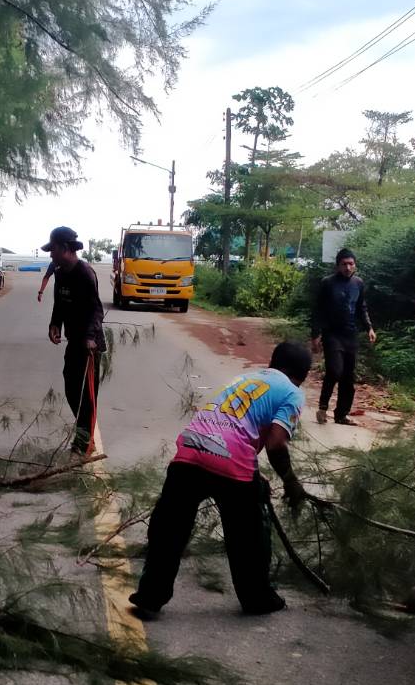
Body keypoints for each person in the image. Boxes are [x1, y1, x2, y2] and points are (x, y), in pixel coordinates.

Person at [129, 341, 312, 620]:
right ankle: (258, 598)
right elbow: (276, 444)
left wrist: (253, 471)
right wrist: (291, 482)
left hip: (191, 448)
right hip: (230, 460)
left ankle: (149, 597)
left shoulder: (245, 378)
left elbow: (232, 423)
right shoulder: (292, 392)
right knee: (248, 536)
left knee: (169, 529)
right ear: (303, 375)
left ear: (273, 362)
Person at [44, 225, 105, 454]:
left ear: (65, 249)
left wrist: (90, 337)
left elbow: (96, 310)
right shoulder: (59, 272)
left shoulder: (85, 273)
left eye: (54, 250)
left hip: (90, 343)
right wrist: (54, 324)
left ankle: (84, 443)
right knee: (70, 387)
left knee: (87, 395)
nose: (51, 254)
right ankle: (84, 432)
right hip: (73, 340)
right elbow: (59, 303)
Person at [310, 247, 375, 426]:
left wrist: (369, 327)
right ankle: (323, 407)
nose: (347, 267)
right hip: (332, 334)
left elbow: (362, 307)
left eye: (351, 264)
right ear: (338, 266)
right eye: (344, 264)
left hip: (350, 335)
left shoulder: (358, 283)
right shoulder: (327, 283)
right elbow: (318, 310)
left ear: (355, 265)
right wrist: (315, 335)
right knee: (334, 370)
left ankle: (341, 414)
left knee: (348, 376)